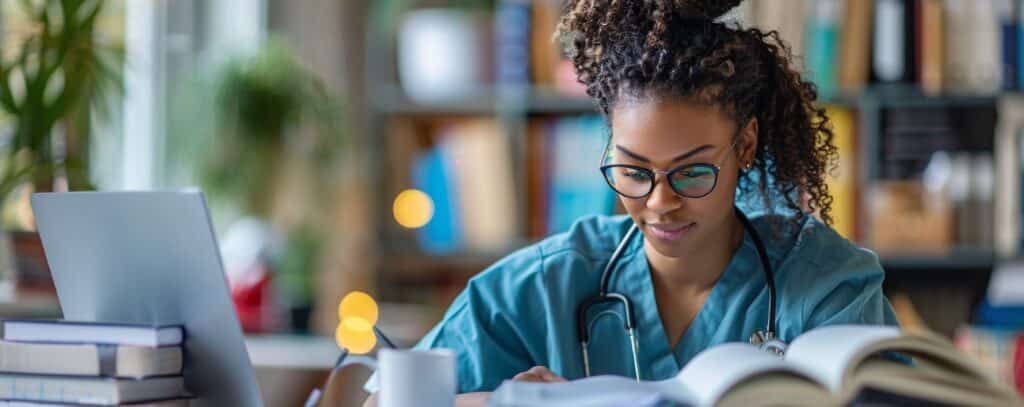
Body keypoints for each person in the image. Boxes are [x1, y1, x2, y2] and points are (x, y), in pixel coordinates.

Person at [364, 0, 898, 405]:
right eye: (633, 171)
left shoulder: (829, 285)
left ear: (746, 145)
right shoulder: (537, 289)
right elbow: (388, 398)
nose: (660, 202)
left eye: (691, 172)